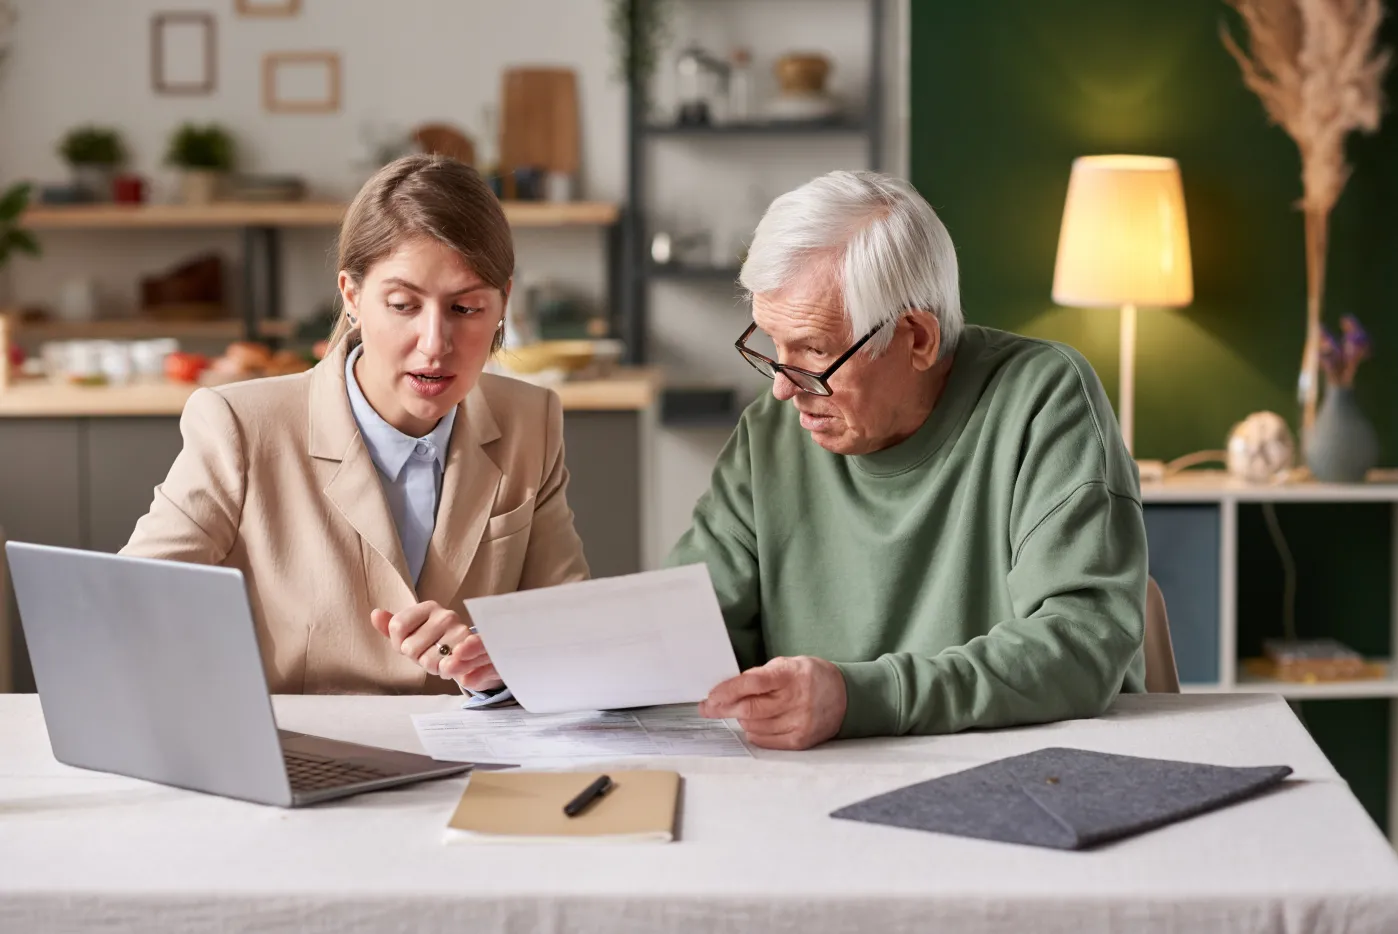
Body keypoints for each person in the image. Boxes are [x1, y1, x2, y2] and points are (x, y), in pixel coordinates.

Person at [670, 170, 1147, 750]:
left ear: (917, 338)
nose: (782, 389)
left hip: (1029, 770)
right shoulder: (771, 433)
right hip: (815, 792)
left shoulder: (1044, 401)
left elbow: (1081, 647)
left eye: (815, 352)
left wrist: (860, 698)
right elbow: (689, 628)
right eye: (771, 346)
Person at [123, 155, 589, 695]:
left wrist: (495, 659)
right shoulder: (241, 429)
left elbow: (570, 636)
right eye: (402, 304)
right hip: (305, 764)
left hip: (473, 765)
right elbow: (127, 607)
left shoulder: (531, 421)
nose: (435, 344)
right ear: (351, 297)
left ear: (503, 303)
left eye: (465, 309)